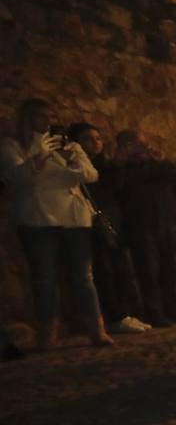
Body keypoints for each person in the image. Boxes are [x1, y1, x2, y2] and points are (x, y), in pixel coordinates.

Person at [0, 99, 112, 348]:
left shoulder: (69, 145)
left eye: (50, 116)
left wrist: (71, 162)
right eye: (41, 116)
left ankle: (96, 329)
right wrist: (37, 156)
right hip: (38, 217)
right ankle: (48, 331)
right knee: (44, 277)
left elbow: (91, 174)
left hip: (74, 218)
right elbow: (14, 177)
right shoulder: (13, 145)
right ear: (27, 118)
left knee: (84, 277)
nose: (47, 122)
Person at [69, 122, 150, 334]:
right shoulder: (79, 166)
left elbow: (116, 189)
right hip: (92, 223)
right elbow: (99, 189)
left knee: (120, 269)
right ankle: (114, 316)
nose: (95, 143)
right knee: (103, 271)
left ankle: (126, 313)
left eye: (97, 138)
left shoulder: (106, 164)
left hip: (113, 222)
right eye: (88, 139)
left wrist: (118, 165)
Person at [117, 129, 176, 327]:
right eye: (137, 144)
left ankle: (173, 308)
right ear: (126, 146)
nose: (143, 147)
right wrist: (125, 162)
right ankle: (155, 312)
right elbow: (121, 187)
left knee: (170, 270)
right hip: (140, 226)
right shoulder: (122, 167)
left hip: (165, 222)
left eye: (143, 143)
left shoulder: (156, 164)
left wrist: (162, 160)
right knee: (148, 272)